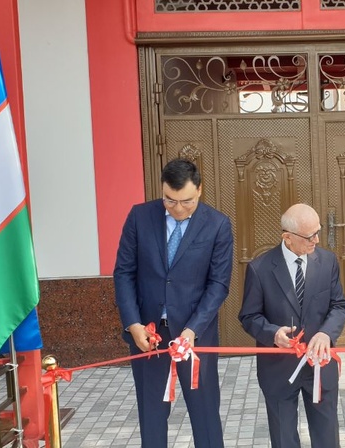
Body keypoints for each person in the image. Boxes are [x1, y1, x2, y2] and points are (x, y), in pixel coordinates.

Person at [113, 158, 233, 448]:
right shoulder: (139, 217)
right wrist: (133, 324)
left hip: (195, 334)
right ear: (162, 190)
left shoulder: (217, 224)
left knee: (204, 412)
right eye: (170, 200)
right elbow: (124, 273)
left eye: (187, 202)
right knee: (152, 414)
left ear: (200, 190)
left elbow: (218, 285)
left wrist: (192, 330)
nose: (178, 209)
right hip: (148, 334)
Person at [238, 203, 345, 448]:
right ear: (287, 237)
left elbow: (339, 305)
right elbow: (249, 316)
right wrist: (272, 334)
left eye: (318, 232)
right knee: (284, 439)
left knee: (327, 438)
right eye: (310, 236)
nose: (316, 240)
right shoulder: (260, 269)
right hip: (279, 369)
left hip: (320, 365)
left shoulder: (328, 261)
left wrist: (325, 334)